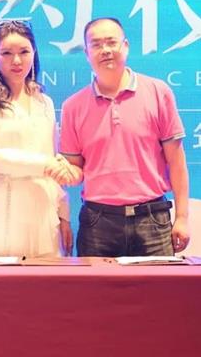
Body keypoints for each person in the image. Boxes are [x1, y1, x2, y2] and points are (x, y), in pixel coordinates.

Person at [59, 17, 190, 257]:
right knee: (95, 284)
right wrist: (59, 170)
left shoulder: (158, 92)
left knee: (159, 283)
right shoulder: (72, 107)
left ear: (126, 46)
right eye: (96, 44)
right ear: (86, 53)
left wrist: (182, 217)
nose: (105, 50)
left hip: (152, 219)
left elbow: (176, 161)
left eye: (112, 42)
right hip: (97, 223)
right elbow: (75, 169)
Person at [0, 19, 81, 258]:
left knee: (46, 279)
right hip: (2, 209)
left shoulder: (43, 101)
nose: (16, 60)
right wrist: (44, 164)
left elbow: (54, 158)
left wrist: (63, 215)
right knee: (2, 279)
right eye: (7, 53)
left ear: (34, 53)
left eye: (24, 52)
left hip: (43, 212)